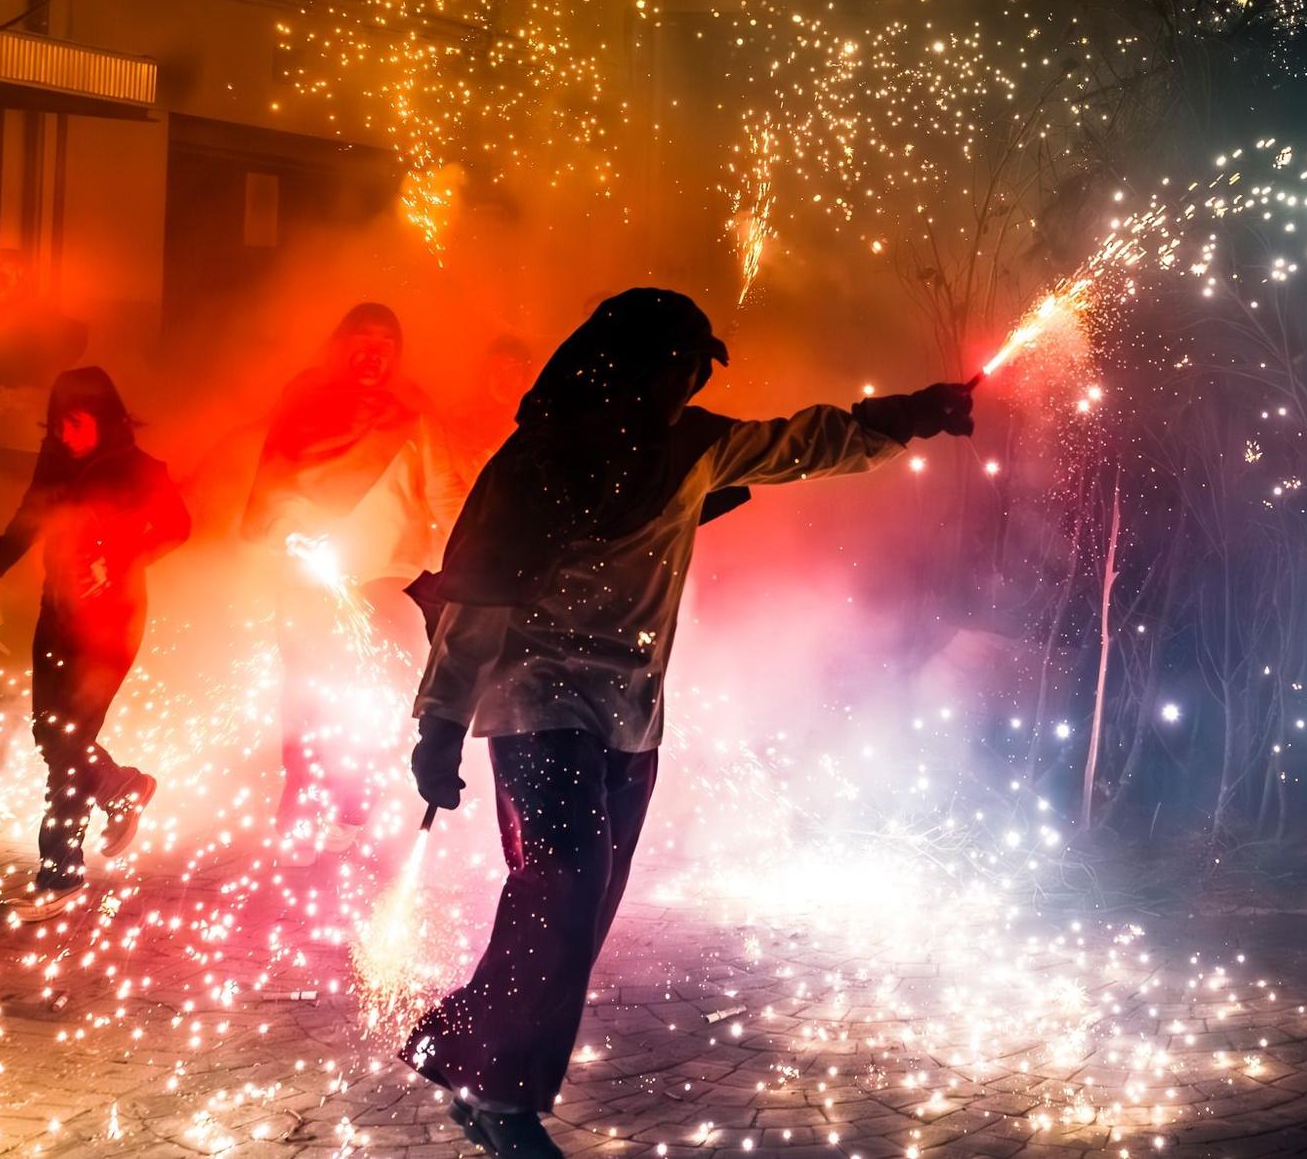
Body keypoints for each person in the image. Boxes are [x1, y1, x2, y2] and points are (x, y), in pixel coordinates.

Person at [397, 289, 973, 1158]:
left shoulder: (692, 443)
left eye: (695, 369)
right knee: (563, 884)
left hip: (630, 716)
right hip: (538, 697)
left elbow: (804, 441)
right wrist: (439, 723)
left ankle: (470, 1055)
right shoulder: (536, 462)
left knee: (580, 908)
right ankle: (499, 1095)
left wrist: (907, 417)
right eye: (676, 364)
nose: (687, 381)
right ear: (623, 363)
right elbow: (474, 599)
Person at [0, 367, 190, 922]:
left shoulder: (138, 469)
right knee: (50, 731)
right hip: (56, 616)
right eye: (56, 424)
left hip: (111, 624)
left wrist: (122, 554)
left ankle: (58, 874)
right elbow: (25, 523)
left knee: (70, 738)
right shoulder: (54, 466)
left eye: (76, 423)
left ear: (105, 421)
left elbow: (177, 526)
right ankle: (122, 785)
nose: (65, 434)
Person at [243, 303, 466, 861]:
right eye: (362, 340)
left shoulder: (414, 412)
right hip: (311, 579)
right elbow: (272, 487)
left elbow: (447, 492)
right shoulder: (305, 405)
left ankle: (352, 801)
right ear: (339, 345)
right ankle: (299, 803)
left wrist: (466, 560)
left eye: (386, 341)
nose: (374, 352)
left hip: (389, 578)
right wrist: (289, 534)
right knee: (304, 697)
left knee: (374, 695)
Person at [451, 333, 536, 475]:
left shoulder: (531, 426)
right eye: (498, 369)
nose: (505, 379)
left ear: (525, 377)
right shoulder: (462, 419)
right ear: (485, 372)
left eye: (514, 371)